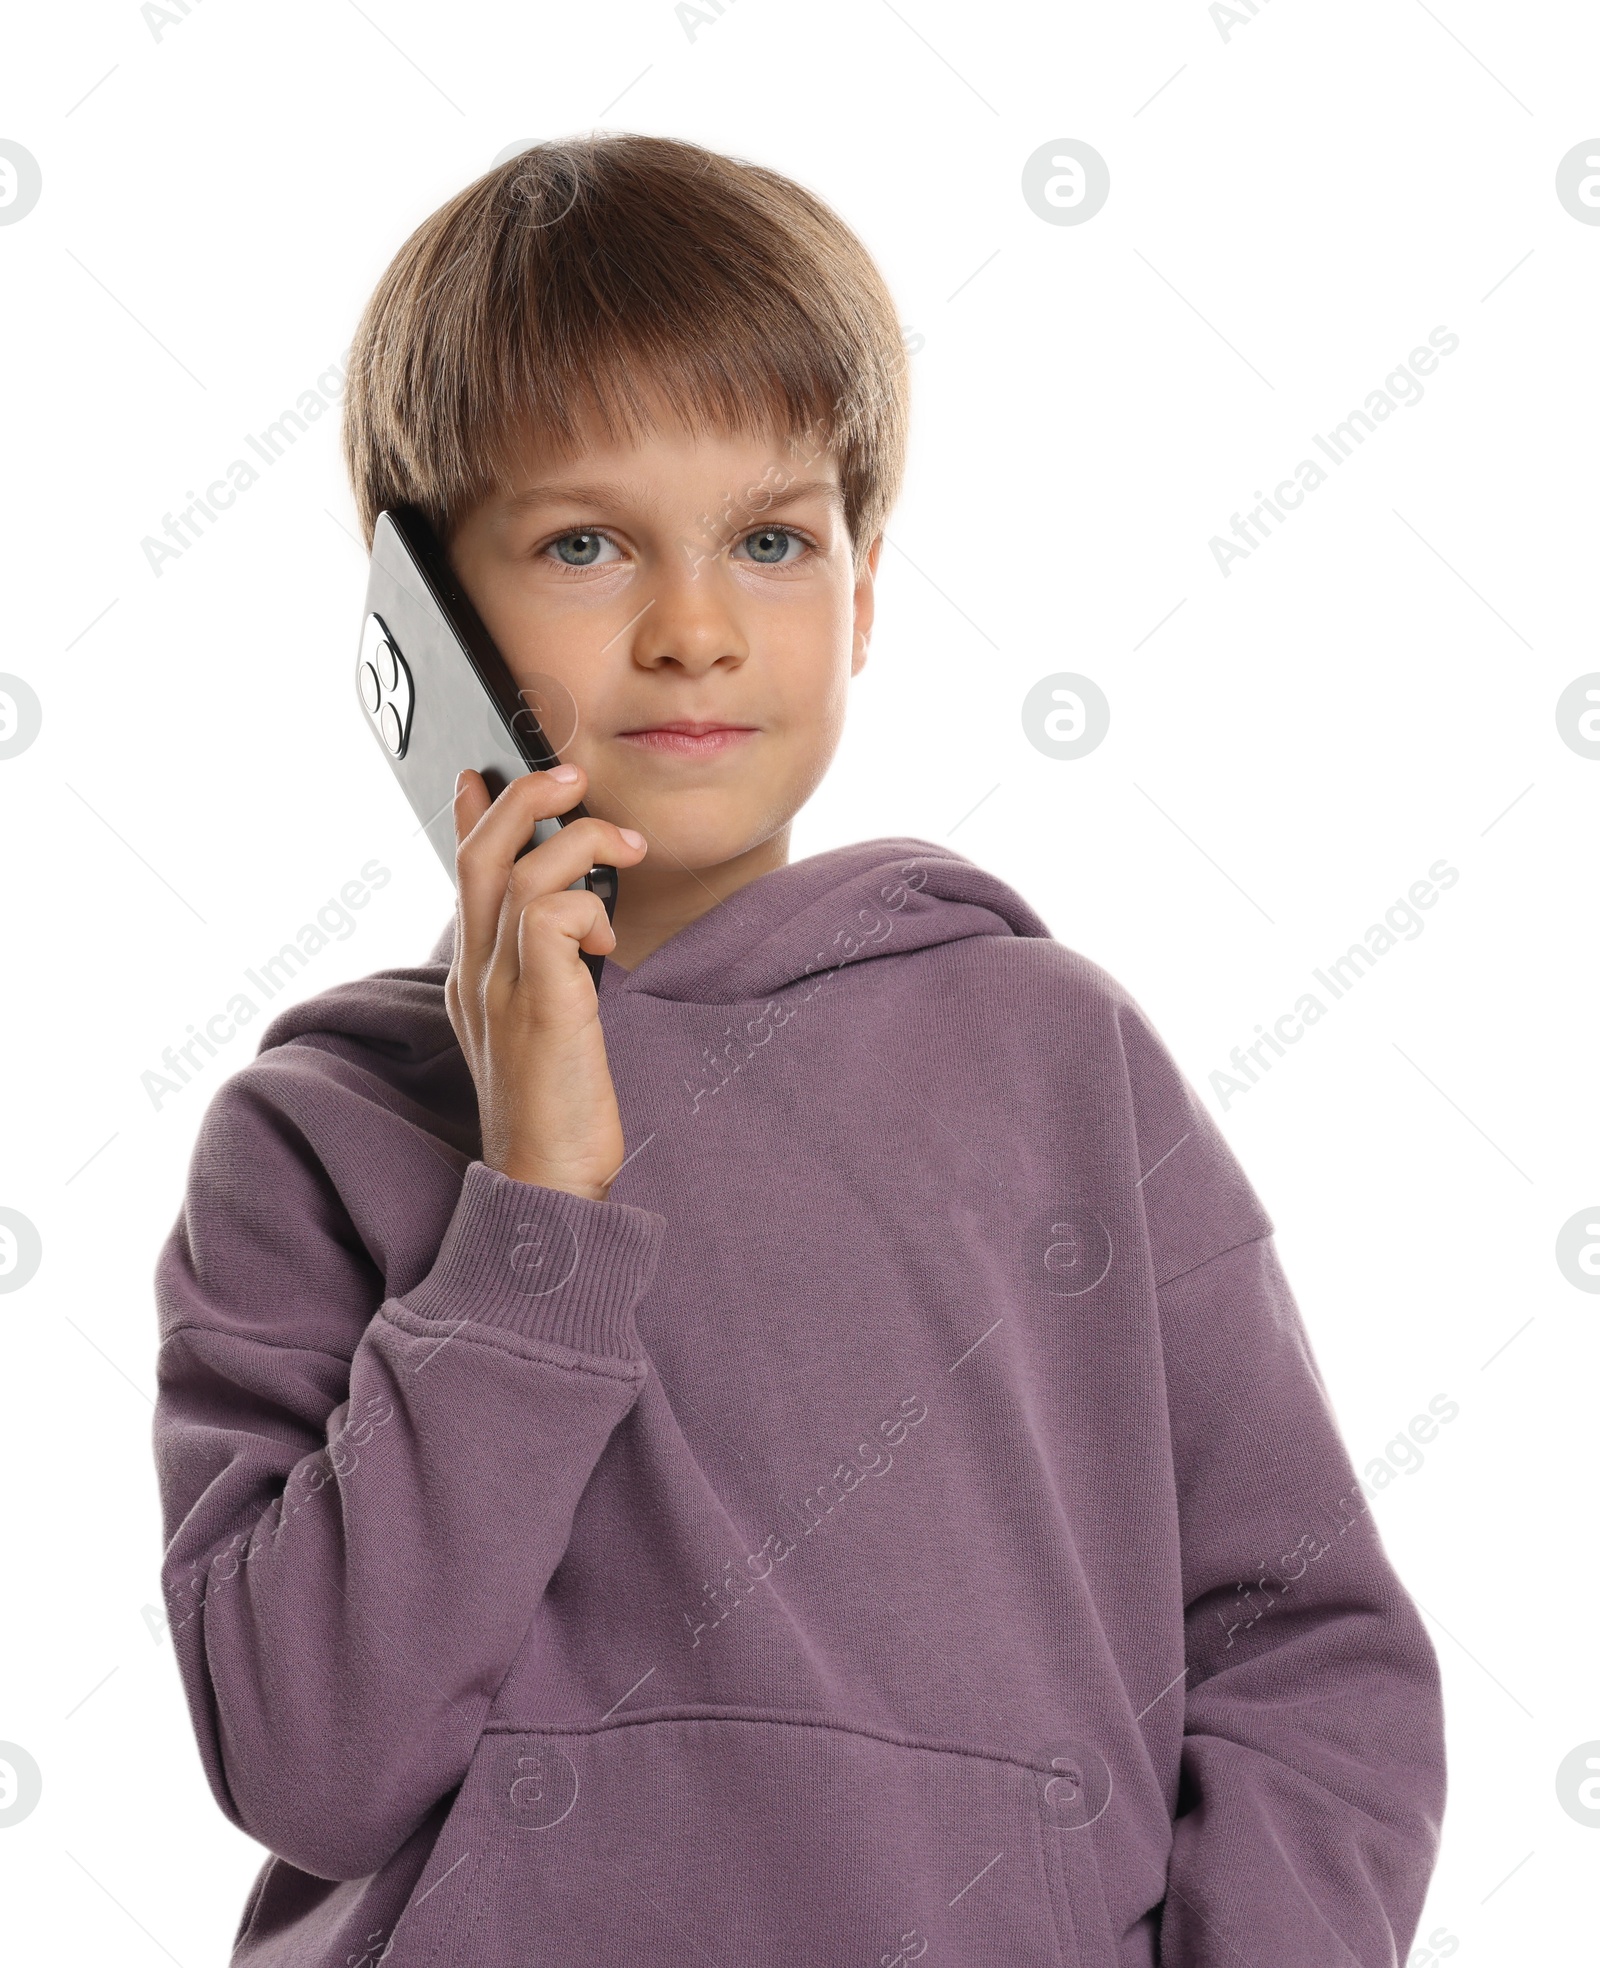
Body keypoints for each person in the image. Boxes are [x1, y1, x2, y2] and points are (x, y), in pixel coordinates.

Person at [151, 133, 1445, 1968]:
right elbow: (312, 1761)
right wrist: (530, 1210)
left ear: (858, 591)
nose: (692, 631)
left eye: (769, 540)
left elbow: (1310, 1648)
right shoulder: (316, 1140)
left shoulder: (1051, 1059)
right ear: (414, 616)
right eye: (586, 544)